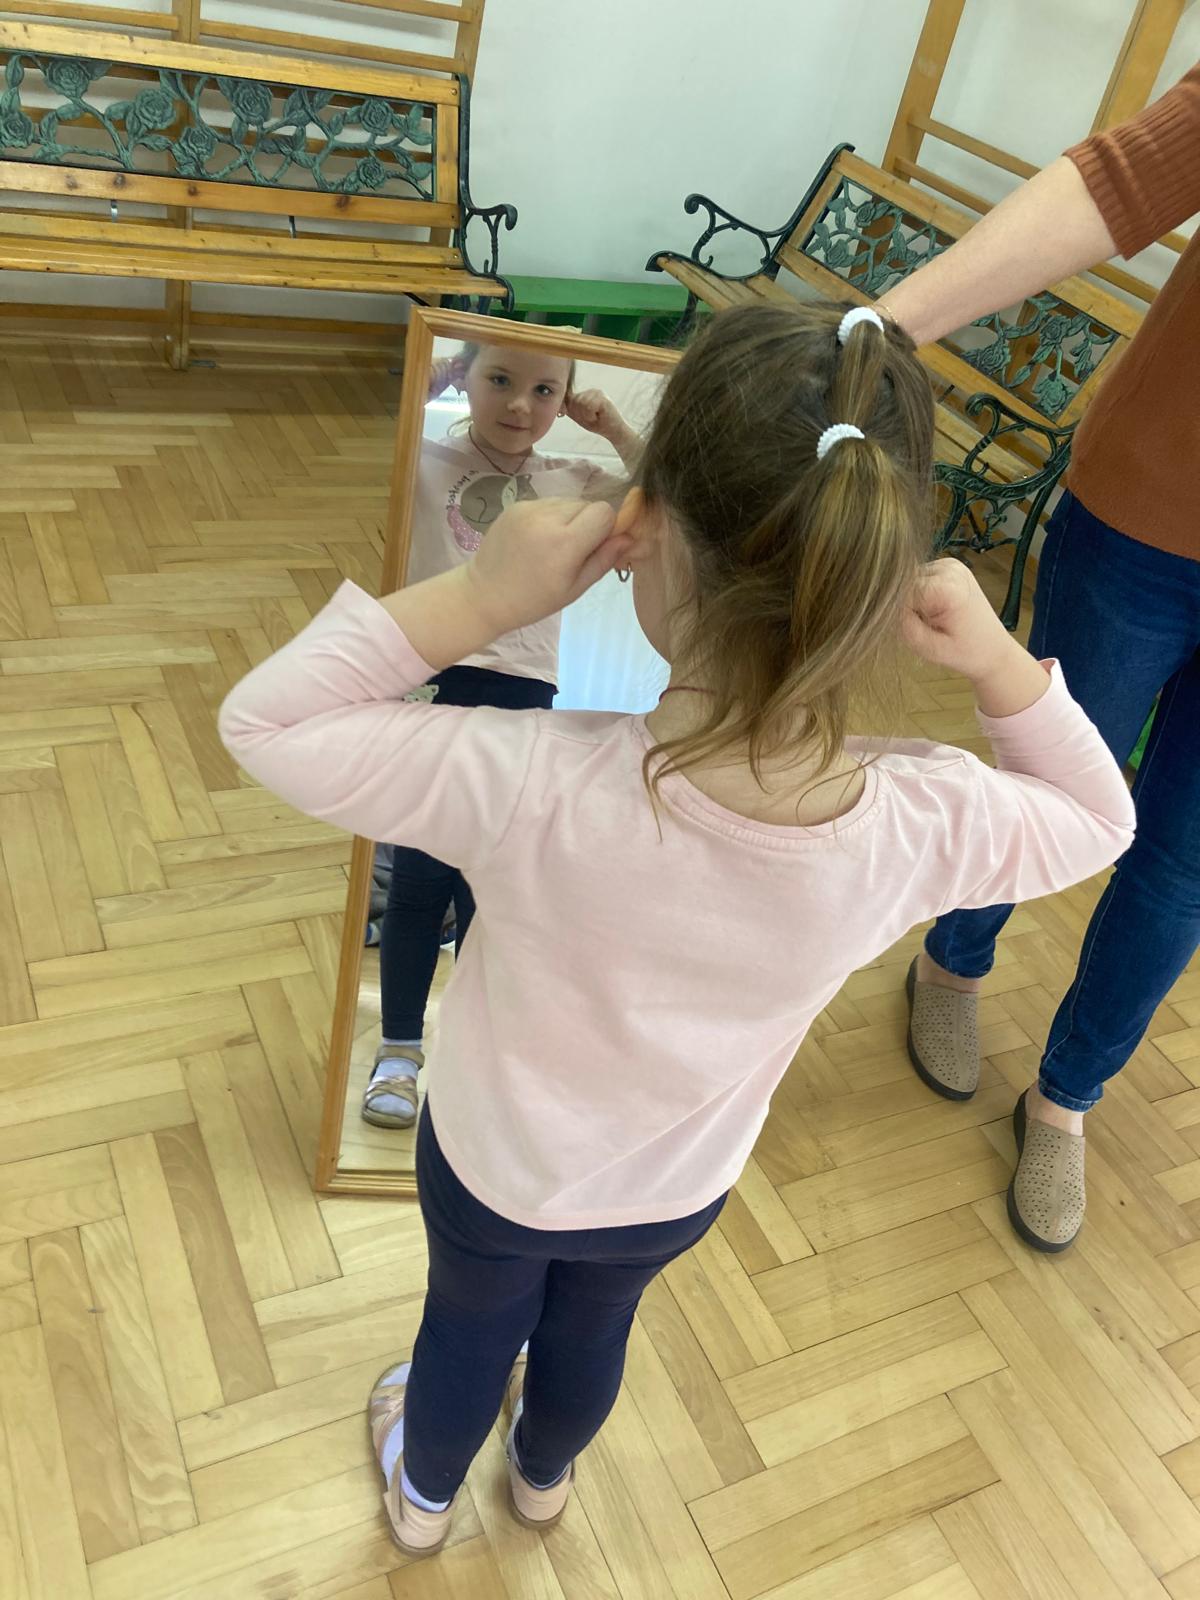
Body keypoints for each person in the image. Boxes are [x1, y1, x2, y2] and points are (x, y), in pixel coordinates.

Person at [219, 302, 1133, 1556]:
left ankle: (423, 1505)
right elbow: (1099, 817)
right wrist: (998, 664)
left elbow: (265, 722)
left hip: (495, 1167)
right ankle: (543, 1482)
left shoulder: (524, 777)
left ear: (642, 533)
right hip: (677, 1185)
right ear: (879, 575)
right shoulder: (919, 821)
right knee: (595, 1333)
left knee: (466, 1331)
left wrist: (480, 596)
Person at [879, 62, 1200, 1253]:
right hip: (1147, 519)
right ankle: (953, 963)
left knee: (1182, 867)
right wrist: (885, 328)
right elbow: (1124, 183)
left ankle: (1066, 1098)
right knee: (1047, 767)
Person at [366, 340, 641, 1131]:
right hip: (431, 680)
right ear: (468, 378)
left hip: (523, 693)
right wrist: (424, 382)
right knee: (419, 880)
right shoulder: (423, 459)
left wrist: (613, 426)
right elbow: (356, 446)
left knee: (490, 890)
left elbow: (669, 488)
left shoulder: (573, 479)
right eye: (499, 380)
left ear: (567, 399)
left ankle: (474, 1059)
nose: (520, 405)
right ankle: (399, 1051)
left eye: (544, 390)